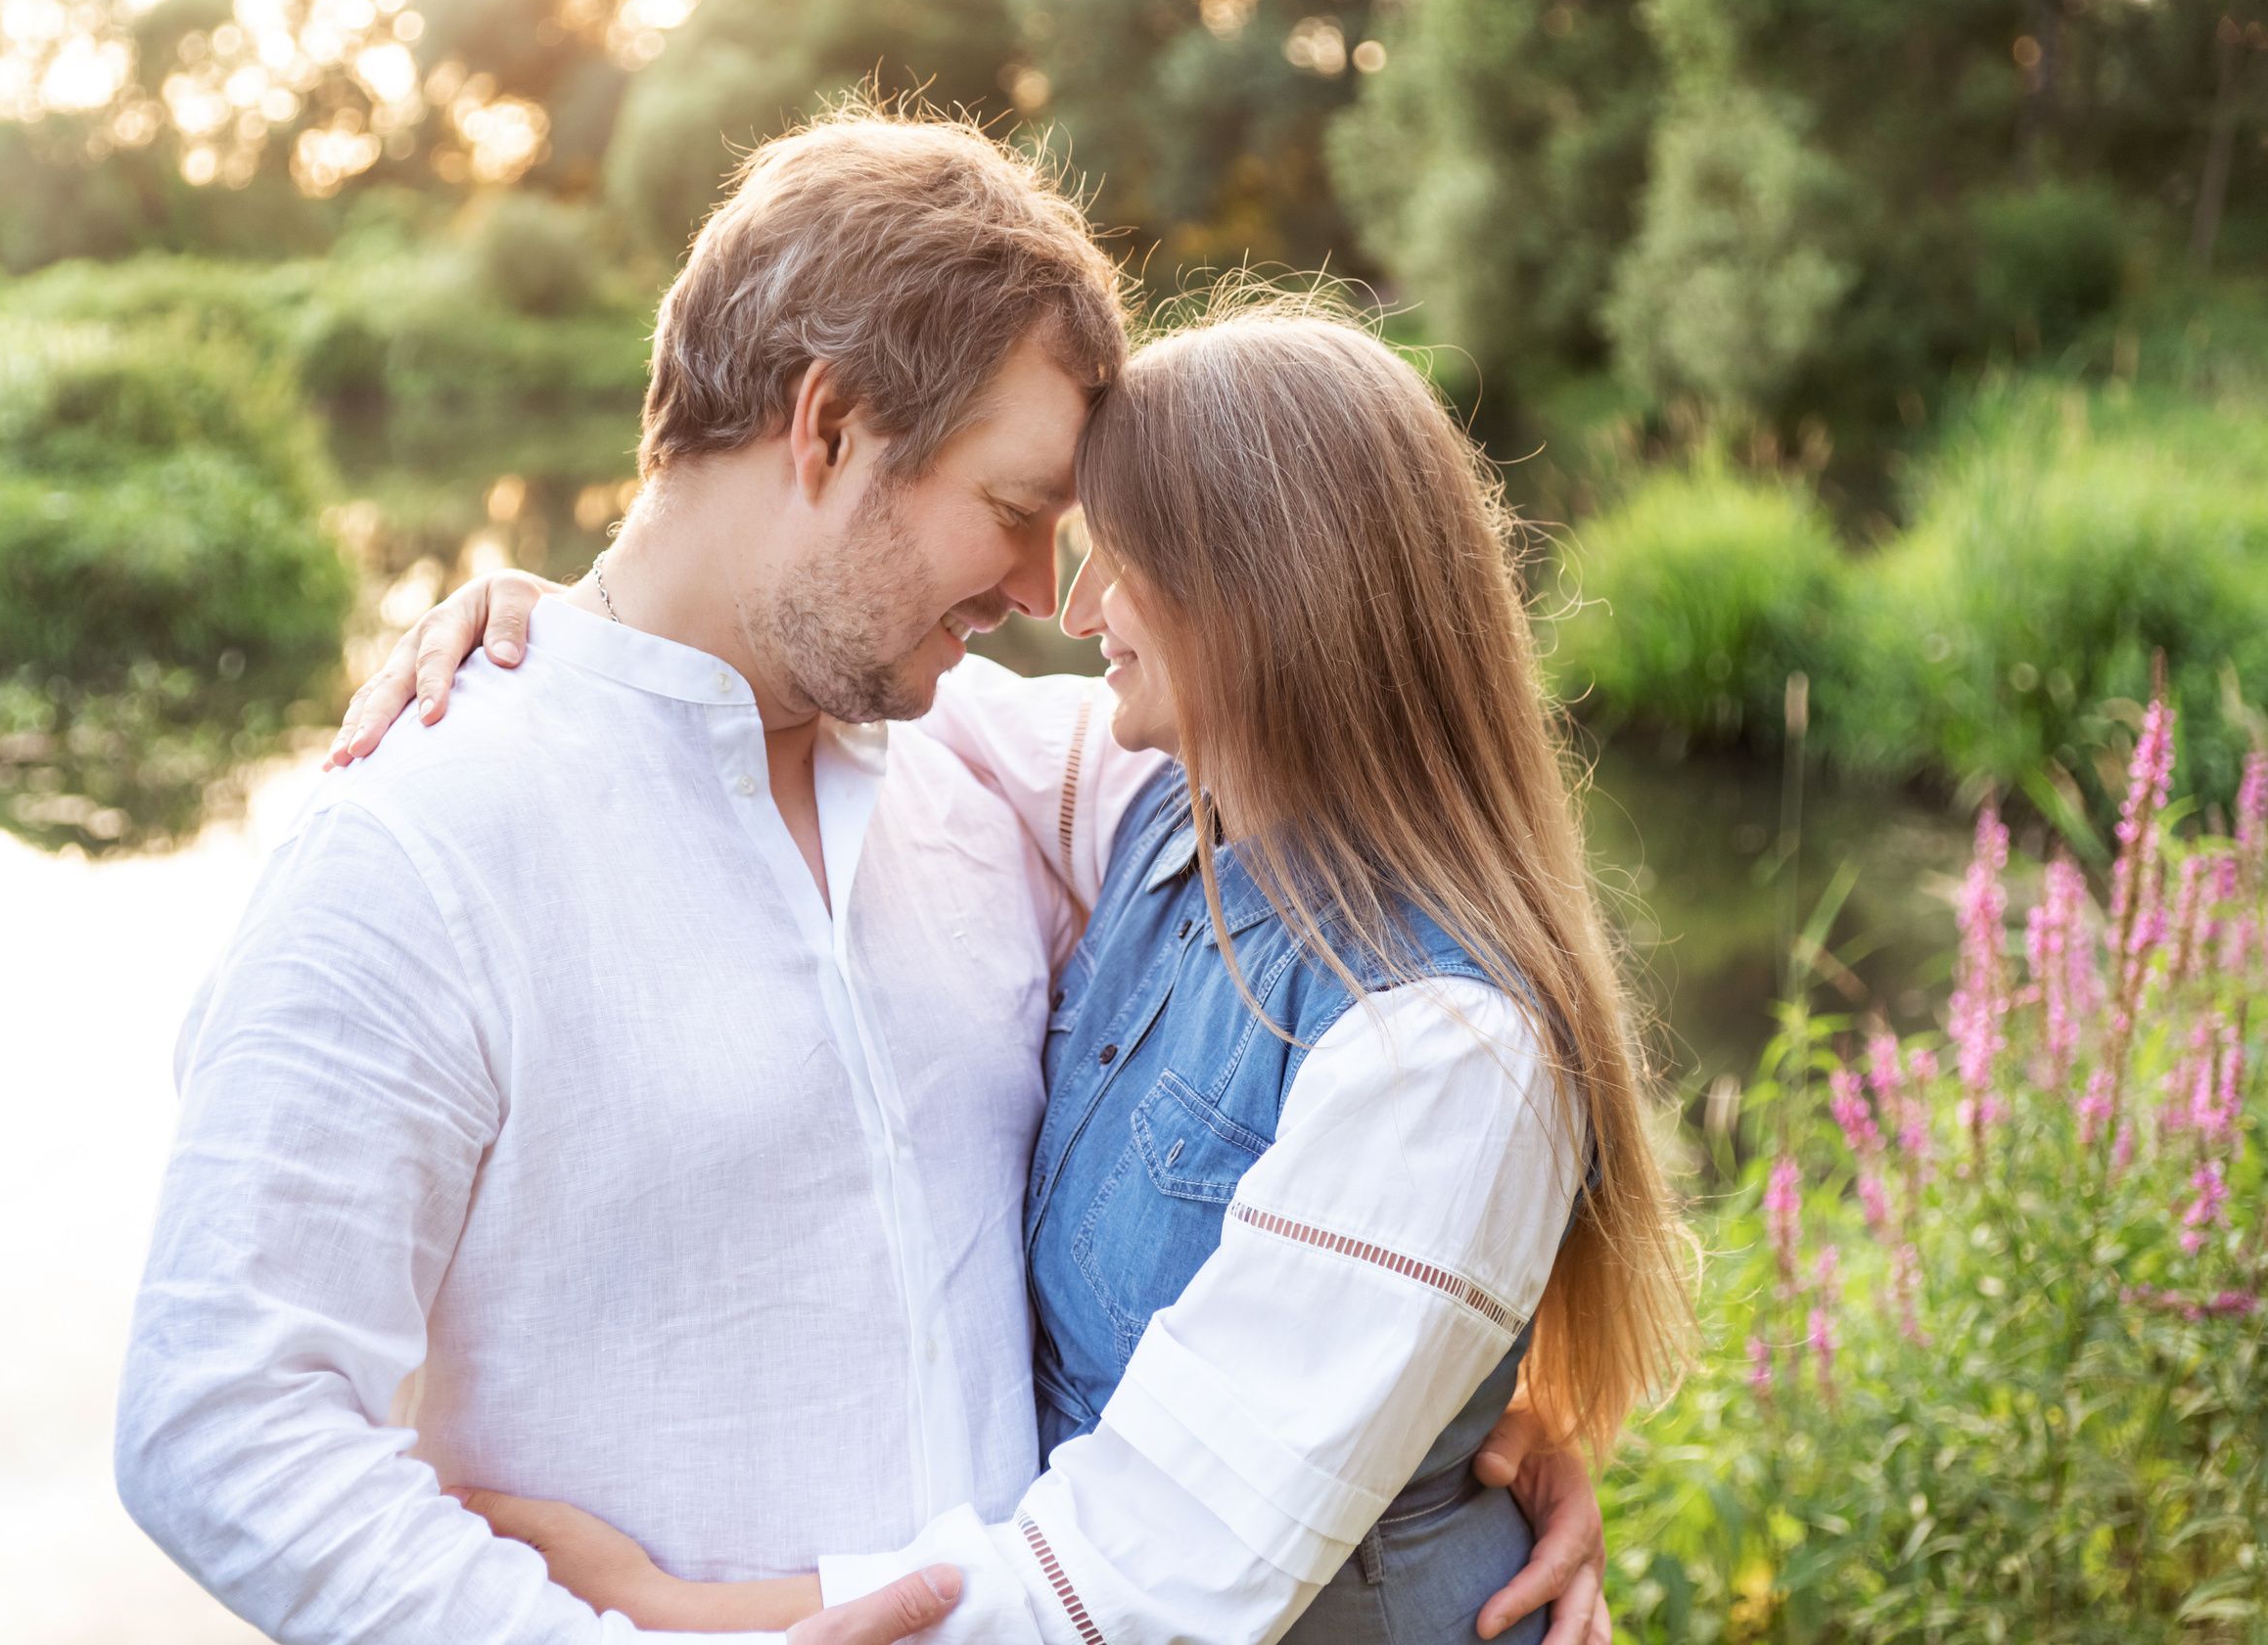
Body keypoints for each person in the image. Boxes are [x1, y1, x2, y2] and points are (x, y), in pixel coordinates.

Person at [118, 107, 1606, 1645]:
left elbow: (1363, 827)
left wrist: (1446, 1425)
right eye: (1019, 513)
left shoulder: (990, 770)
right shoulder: (421, 839)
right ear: (826, 429)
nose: (1044, 594)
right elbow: (222, 1415)